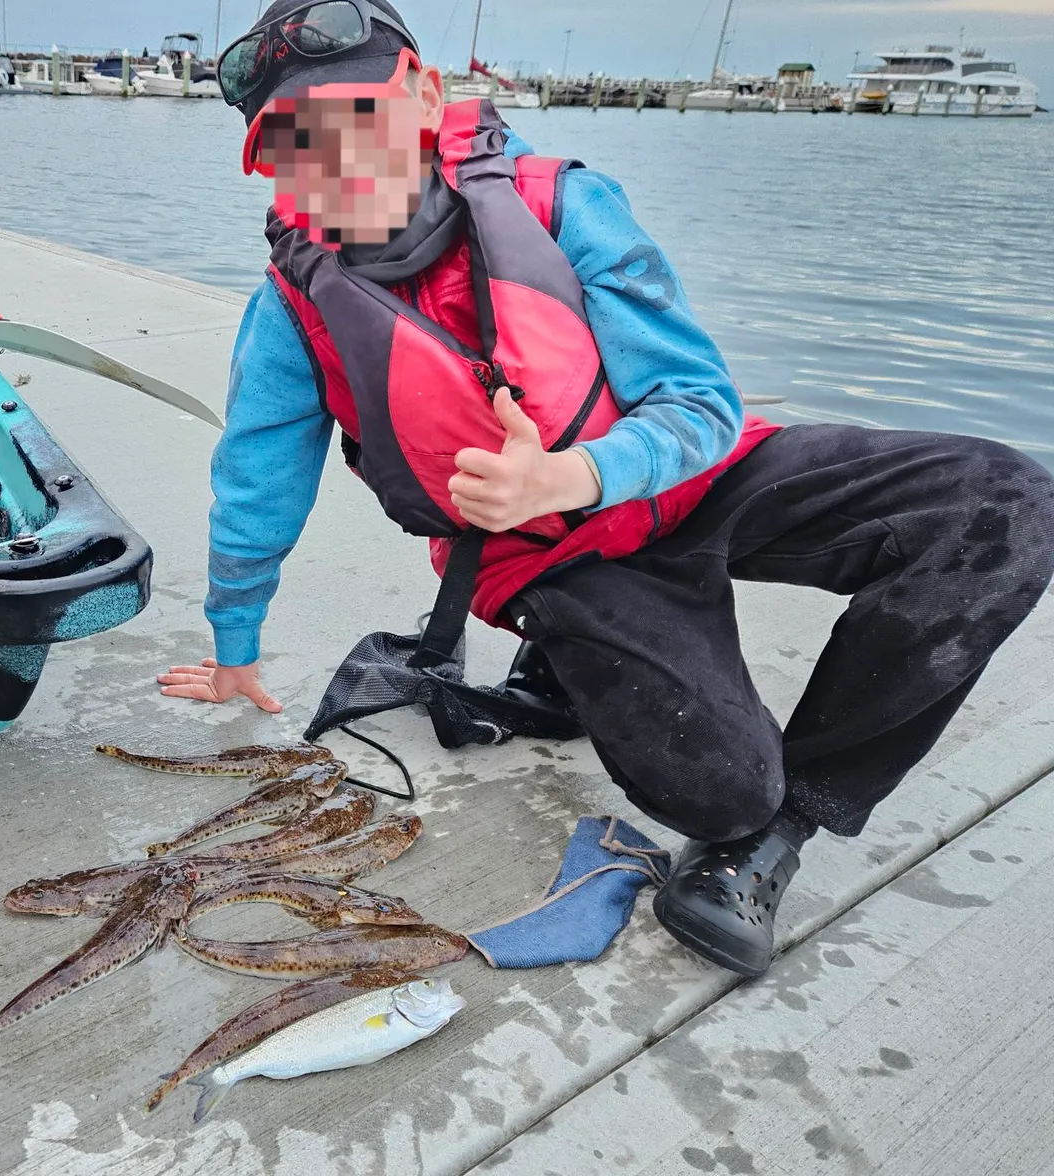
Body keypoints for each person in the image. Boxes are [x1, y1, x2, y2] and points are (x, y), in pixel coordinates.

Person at [158, 0, 1054, 977]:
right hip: (545, 554)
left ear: (419, 94)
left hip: (688, 481)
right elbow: (256, 482)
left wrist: (573, 470)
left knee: (1003, 503)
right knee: (719, 788)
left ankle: (782, 831)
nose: (331, 166)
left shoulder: (560, 204)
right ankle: (622, 695)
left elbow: (700, 403)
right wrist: (235, 645)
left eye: (353, 121)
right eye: (292, 147)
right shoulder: (292, 304)